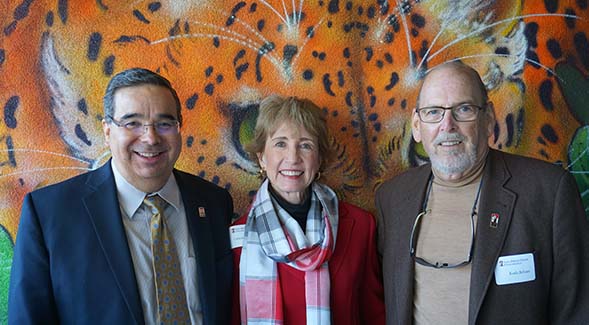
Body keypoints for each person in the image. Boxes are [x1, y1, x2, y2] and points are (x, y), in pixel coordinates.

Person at [8, 68, 234, 324]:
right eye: (132, 123)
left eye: (164, 123)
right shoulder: (50, 214)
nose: (150, 138)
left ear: (179, 128)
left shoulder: (214, 203)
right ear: (107, 131)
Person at [375, 61, 589, 324]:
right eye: (433, 112)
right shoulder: (392, 199)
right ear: (417, 127)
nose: (447, 125)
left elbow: (577, 311)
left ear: (488, 119)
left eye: (463, 109)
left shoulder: (549, 192)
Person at [230, 95, 385, 325]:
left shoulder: (361, 226)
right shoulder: (238, 236)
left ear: (320, 158)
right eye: (280, 144)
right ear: (262, 157)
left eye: (305, 145)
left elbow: (374, 315)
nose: (292, 158)